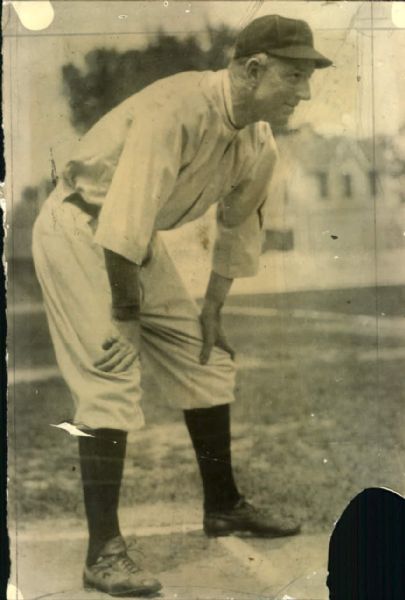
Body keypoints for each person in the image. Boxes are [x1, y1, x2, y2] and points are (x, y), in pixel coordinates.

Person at [32, 14, 332, 597]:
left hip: (131, 242)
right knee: (110, 373)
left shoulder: (258, 139)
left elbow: (238, 229)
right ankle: (104, 553)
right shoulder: (178, 110)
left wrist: (212, 310)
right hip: (80, 226)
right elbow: (121, 223)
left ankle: (222, 505)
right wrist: (125, 319)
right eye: (294, 76)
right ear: (253, 69)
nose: (306, 91)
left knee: (207, 361)